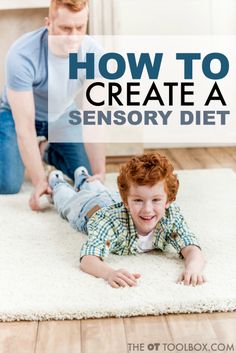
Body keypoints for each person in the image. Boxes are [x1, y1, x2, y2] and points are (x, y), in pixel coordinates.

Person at [0, 0, 105, 211]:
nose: (73, 36)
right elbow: (25, 127)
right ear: (49, 23)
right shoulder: (22, 54)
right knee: (8, 184)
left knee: (84, 177)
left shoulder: (93, 53)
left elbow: (95, 117)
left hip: (61, 114)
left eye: (80, 28)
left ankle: (45, 149)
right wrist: (40, 181)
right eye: (65, 28)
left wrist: (99, 172)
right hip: (14, 115)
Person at [48, 152, 206, 288]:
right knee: (66, 202)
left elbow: (192, 248)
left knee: (100, 189)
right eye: (138, 200)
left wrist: (193, 268)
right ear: (126, 202)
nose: (147, 209)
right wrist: (109, 273)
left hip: (112, 197)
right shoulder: (110, 221)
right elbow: (88, 259)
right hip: (89, 208)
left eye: (156, 200)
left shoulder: (171, 215)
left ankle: (83, 178)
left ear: (168, 201)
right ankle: (57, 181)